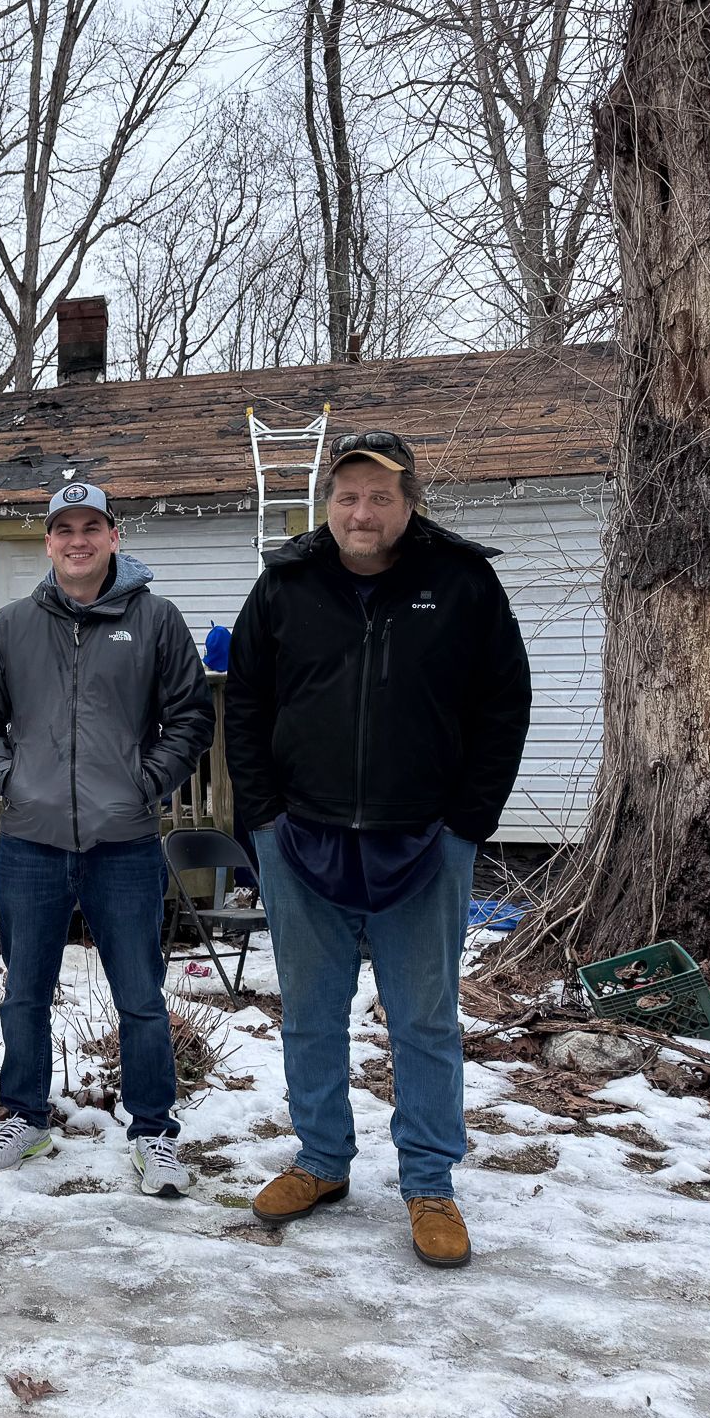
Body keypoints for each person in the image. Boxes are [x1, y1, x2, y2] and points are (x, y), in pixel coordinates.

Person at [224, 429, 530, 1269]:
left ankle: (430, 1182)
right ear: (330, 503)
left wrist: (468, 822)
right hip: (302, 840)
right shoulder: (286, 584)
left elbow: (505, 706)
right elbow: (244, 705)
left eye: (381, 497)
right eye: (349, 496)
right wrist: (263, 822)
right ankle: (322, 1161)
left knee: (425, 1020)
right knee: (312, 1016)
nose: (363, 512)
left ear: (409, 503)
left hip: (425, 841)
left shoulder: (462, 583)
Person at [0, 483, 215, 1195]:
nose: (78, 540)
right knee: (25, 993)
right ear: (48, 542)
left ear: (113, 536)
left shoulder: (156, 620)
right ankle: (24, 1117)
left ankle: (154, 1132)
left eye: (91, 527)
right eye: (64, 528)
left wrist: (147, 781)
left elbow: (192, 715)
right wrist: (10, 778)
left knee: (140, 995)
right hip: (31, 840)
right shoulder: (13, 625)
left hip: (125, 842)